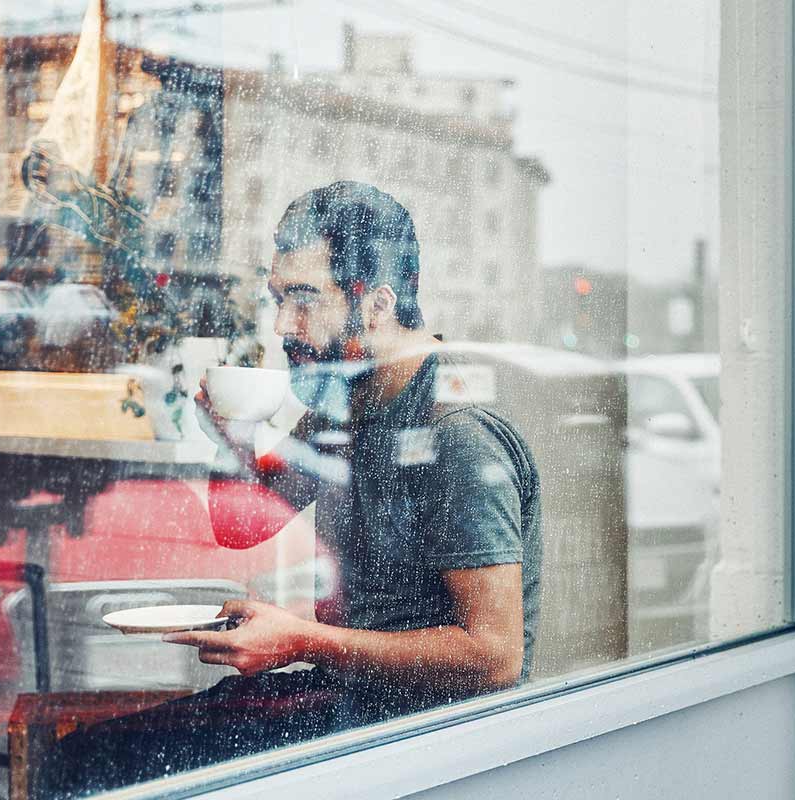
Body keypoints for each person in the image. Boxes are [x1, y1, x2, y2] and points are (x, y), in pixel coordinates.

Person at [39, 181, 540, 795]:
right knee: (86, 755)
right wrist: (233, 441)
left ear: (377, 304)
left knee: (94, 767)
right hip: (349, 700)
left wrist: (299, 640)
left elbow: (495, 658)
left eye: (304, 300)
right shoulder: (348, 404)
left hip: (419, 741)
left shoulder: (456, 435)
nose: (282, 325)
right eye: (278, 299)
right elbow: (241, 525)